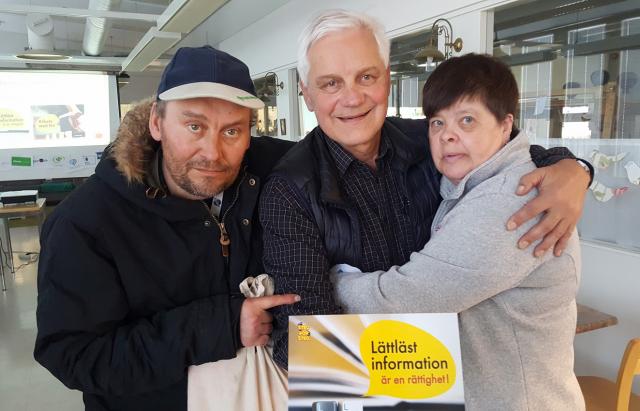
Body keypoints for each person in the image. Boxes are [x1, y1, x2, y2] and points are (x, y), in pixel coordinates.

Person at [259, 9, 592, 369]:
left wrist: (573, 168)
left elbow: (505, 149)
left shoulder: (428, 140)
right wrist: (424, 372)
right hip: (377, 387)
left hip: (466, 378)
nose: (352, 98)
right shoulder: (289, 191)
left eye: (366, 77)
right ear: (307, 95)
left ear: (387, 79)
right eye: (330, 84)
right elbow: (301, 339)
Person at [34, 46, 299, 411]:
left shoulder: (273, 169)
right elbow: (76, 355)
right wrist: (220, 326)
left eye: (232, 131)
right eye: (194, 126)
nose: (213, 152)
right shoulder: (84, 223)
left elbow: (344, 146)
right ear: (156, 124)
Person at [331, 53, 585, 410]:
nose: (447, 135)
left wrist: (321, 282)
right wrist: (576, 167)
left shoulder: (508, 200)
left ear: (505, 126)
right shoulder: (473, 183)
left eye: (467, 120)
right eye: (437, 123)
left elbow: (407, 298)